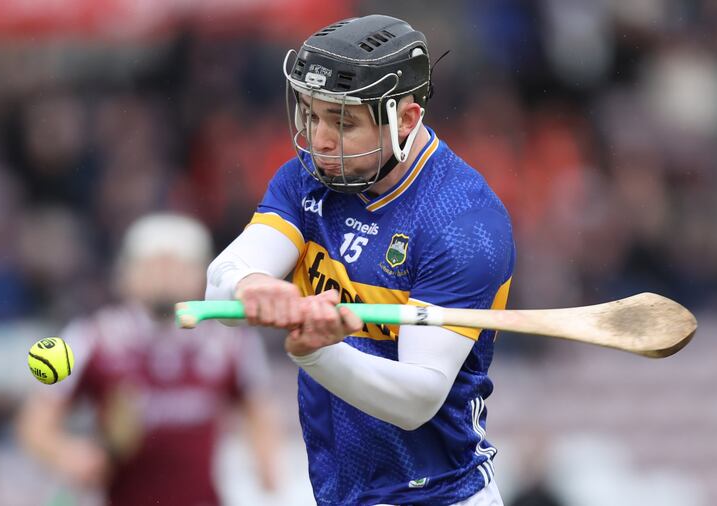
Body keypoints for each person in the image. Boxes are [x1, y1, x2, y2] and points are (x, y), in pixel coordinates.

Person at [206, 14, 515, 506]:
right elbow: (220, 283)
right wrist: (251, 287)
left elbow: (417, 399)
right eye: (310, 113)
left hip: (438, 496)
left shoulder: (465, 224)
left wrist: (316, 352)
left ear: (406, 120)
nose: (319, 139)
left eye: (343, 122)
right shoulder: (306, 180)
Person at [18, 213, 280, 506]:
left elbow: (258, 407)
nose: (165, 277)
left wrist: (266, 467)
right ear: (126, 273)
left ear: (202, 274)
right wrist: (68, 454)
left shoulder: (231, 341)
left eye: (178, 265)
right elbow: (36, 424)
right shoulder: (91, 338)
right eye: (153, 265)